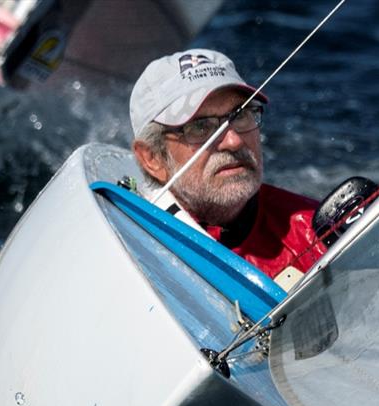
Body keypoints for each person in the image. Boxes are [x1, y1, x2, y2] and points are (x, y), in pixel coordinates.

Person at [129, 49, 326, 281]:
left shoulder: (315, 232)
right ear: (153, 158)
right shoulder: (128, 255)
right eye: (200, 127)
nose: (233, 141)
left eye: (240, 115)